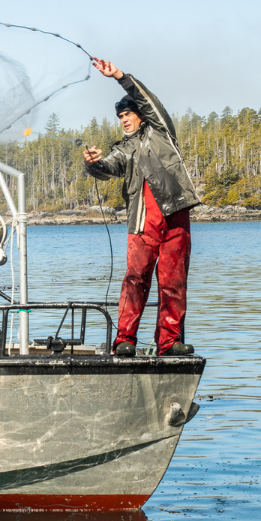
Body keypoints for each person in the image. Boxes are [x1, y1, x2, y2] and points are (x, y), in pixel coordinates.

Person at [82, 58, 200, 357]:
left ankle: (169, 342)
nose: (124, 119)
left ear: (141, 116)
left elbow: (150, 102)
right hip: (141, 224)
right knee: (135, 280)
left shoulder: (161, 132)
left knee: (173, 283)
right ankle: (125, 340)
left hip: (175, 216)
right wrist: (94, 164)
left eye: (128, 114)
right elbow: (109, 167)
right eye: (120, 115)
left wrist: (119, 76)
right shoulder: (123, 148)